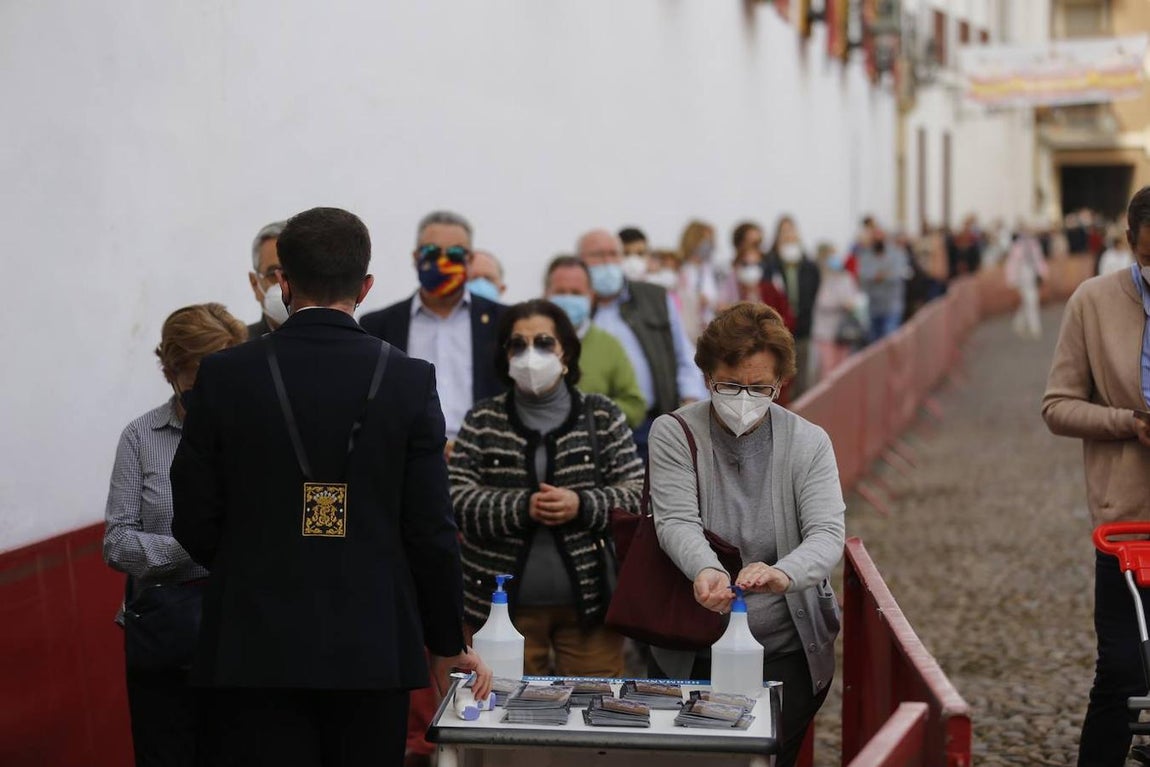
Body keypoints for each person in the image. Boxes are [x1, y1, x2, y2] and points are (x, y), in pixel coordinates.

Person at [170, 207, 491, 767]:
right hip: (370, 643)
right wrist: (447, 642)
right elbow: (430, 529)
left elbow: (192, 517)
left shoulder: (224, 376)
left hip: (253, 641)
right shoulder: (408, 379)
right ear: (365, 287)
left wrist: (252, 562)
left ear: (283, 283)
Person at [646, 302, 845, 767]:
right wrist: (707, 570)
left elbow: (826, 531)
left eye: (760, 388)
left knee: (766, 757)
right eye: (730, 385)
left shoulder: (809, 441)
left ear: (780, 384)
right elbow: (674, 519)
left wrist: (784, 573)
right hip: (691, 644)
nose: (743, 399)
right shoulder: (674, 432)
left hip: (783, 647)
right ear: (707, 376)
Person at [449, 299, 644, 677]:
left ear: (566, 352)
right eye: (517, 345)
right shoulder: (483, 418)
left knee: (593, 721)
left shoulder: (601, 415)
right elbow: (456, 498)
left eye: (543, 343)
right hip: (497, 614)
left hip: (591, 610)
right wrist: (523, 507)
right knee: (503, 722)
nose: (529, 355)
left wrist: (581, 504)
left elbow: (637, 492)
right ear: (504, 355)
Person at [103, 303, 247, 767]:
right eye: (194, 381)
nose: (207, 395)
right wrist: (194, 548)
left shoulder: (252, 432)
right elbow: (118, 540)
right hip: (166, 640)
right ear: (170, 371)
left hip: (242, 633)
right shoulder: (141, 437)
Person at [1043, 186, 1150, 767]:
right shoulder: (1091, 301)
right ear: (1129, 244)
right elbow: (1057, 405)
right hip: (1126, 526)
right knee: (1121, 672)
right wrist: (1128, 422)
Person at [359, 211, 506, 444]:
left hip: (484, 456)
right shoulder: (378, 325)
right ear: (416, 257)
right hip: (407, 457)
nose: (444, 261)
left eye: (456, 253)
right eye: (432, 252)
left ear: (469, 260)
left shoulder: (503, 322)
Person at [576, 229, 708, 460]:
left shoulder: (656, 298)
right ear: (579, 262)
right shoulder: (574, 307)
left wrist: (689, 405)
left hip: (652, 425)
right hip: (591, 431)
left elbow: (684, 356)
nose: (608, 262)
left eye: (613, 254)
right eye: (598, 255)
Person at [544, 255, 647, 427]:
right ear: (546, 294)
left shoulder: (609, 345)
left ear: (591, 296)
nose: (568, 299)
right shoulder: (527, 342)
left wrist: (590, 411)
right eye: (561, 292)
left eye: (576, 293)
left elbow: (635, 406)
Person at [763, 215, 821, 398]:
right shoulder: (770, 264)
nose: (789, 237)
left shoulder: (808, 266)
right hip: (778, 331)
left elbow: (812, 292)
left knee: (801, 378)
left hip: (802, 330)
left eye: (792, 233)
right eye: (784, 233)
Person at [811, 243, 865, 380]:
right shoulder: (820, 278)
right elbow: (822, 302)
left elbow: (854, 297)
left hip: (843, 331)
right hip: (825, 332)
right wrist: (841, 302)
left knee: (843, 367)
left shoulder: (846, 277)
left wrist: (851, 303)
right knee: (828, 368)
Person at [855, 224, 911, 343]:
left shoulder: (897, 253)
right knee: (874, 342)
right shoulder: (865, 255)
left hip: (892, 306)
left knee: (889, 340)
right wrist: (882, 274)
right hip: (873, 306)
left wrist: (879, 276)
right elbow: (864, 275)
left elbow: (898, 274)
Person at [1003, 224, 1049, 340]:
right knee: (1031, 300)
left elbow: (1039, 260)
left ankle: (1019, 323)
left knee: (1030, 300)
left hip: (1031, 277)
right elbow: (1012, 265)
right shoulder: (1017, 247)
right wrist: (1012, 280)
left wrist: (1043, 273)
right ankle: (1035, 327)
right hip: (1021, 278)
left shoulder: (1034, 245)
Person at [678, 220, 720, 340]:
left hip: (709, 329)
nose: (707, 245)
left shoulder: (712, 270)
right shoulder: (682, 270)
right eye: (704, 241)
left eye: (709, 241)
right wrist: (696, 300)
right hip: (689, 330)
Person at [246, 220, 288, 338]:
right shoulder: (234, 347)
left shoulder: (341, 344)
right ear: (255, 284)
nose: (289, 283)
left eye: (299, 272)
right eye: (274, 273)